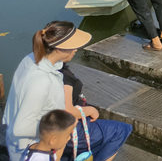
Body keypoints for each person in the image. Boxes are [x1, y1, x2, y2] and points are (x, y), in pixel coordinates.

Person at [3, 22, 131, 161]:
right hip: (34, 146)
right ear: (59, 48)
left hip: (33, 134)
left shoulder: (31, 59)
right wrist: (65, 127)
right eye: (73, 46)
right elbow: (20, 129)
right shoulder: (41, 81)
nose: (76, 49)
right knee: (119, 131)